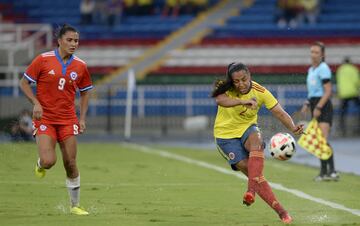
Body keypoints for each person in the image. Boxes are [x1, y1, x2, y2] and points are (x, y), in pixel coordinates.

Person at [211, 62, 304, 224]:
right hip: (225, 136)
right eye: (236, 81)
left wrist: (293, 127)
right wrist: (242, 102)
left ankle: (250, 192)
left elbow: (280, 113)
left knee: (257, 142)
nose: (241, 84)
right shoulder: (224, 86)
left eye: (244, 79)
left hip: (247, 128)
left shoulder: (260, 91)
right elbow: (221, 100)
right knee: (255, 175)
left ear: (250, 76)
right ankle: (281, 211)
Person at [19, 24, 93, 215]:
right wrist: (35, 102)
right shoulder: (43, 60)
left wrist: (82, 118)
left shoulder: (81, 66)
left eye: (76, 40)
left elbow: (85, 93)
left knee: (70, 163)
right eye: (69, 40)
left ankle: (75, 205)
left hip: (68, 120)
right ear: (59, 41)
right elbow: (24, 82)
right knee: (49, 161)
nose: (73, 43)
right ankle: (40, 164)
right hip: (45, 119)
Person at [301, 41, 339, 181]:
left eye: (316, 52)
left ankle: (331, 171)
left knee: (322, 139)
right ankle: (326, 172)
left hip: (323, 105)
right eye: (312, 52)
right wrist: (307, 103)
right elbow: (313, 92)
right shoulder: (311, 70)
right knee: (319, 140)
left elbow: (328, 91)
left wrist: (318, 107)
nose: (313, 55)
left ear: (322, 55)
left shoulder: (324, 68)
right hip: (314, 103)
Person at [336, 57, 360, 136]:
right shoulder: (354, 69)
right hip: (353, 93)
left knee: (342, 112)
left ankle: (341, 129)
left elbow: (338, 81)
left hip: (343, 94)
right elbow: (357, 81)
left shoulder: (340, 70)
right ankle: (358, 128)